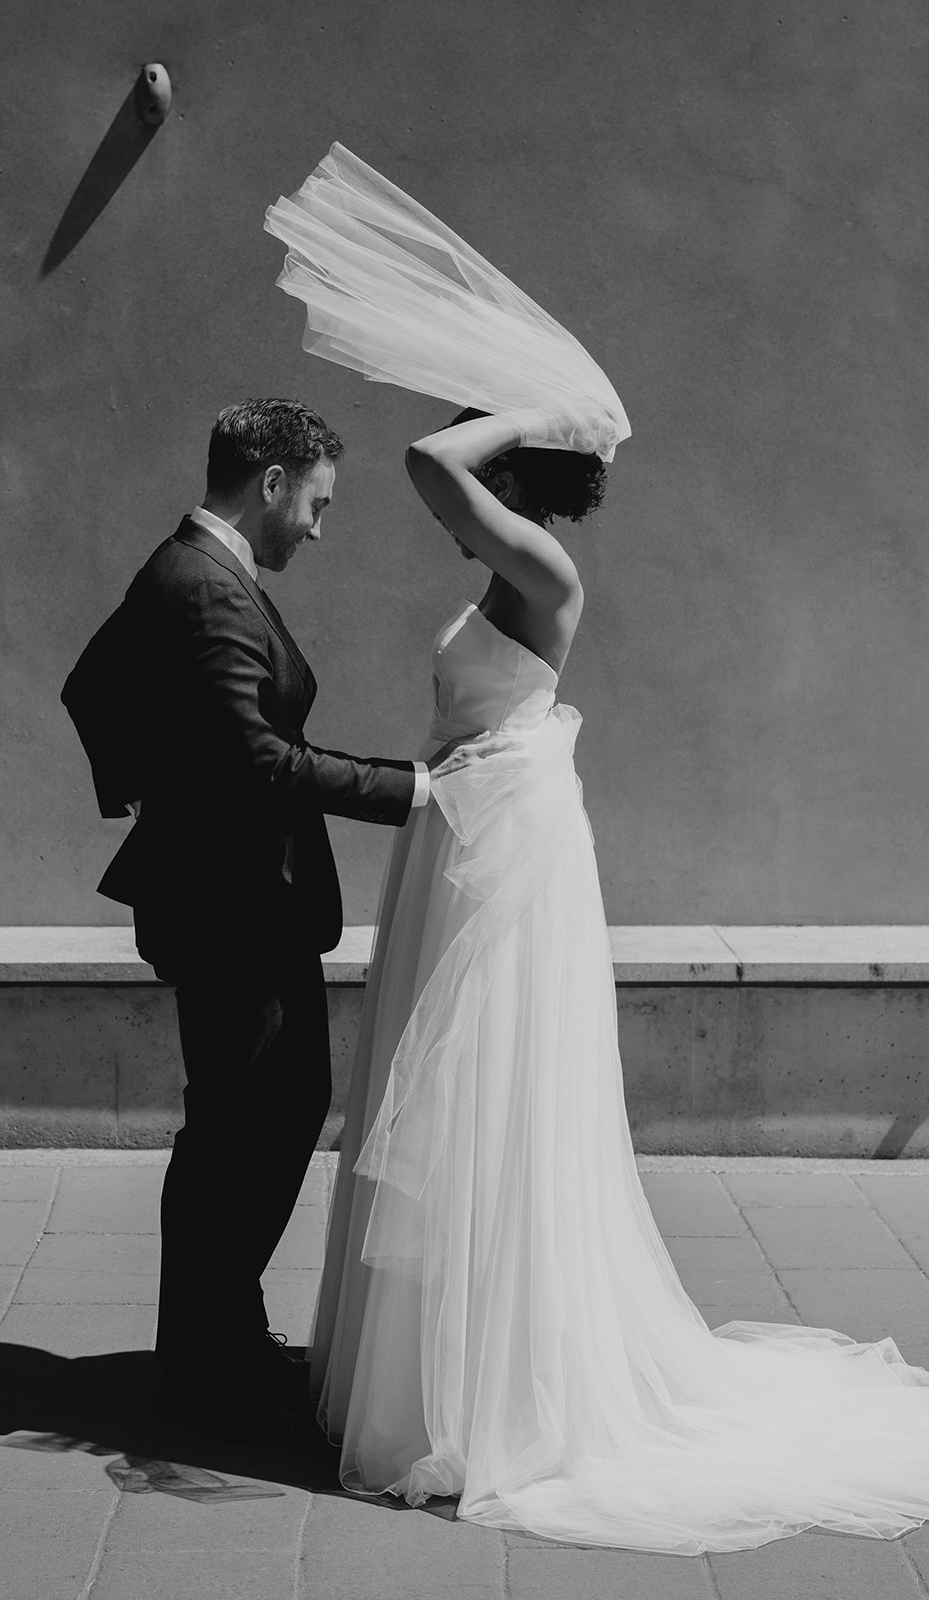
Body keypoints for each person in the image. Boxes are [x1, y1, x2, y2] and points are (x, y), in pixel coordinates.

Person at [309, 406, 929, 1554]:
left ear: (510, 474)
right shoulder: (509, 568)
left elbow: (424, 464)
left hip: (506, 859)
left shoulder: (543, 565)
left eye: (489, 472)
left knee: (493, 1096)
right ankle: (437, 1365)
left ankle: (491, 1386)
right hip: (467, 839)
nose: (459, 514)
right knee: (449, 1096)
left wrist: (543, 399)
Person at [61, 397, 478, 1439]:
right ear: (273, 481)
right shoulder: (203, 588)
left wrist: (153, 783)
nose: (319, 528)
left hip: (236, 897)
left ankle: (219, 1337)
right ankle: (205, 1368)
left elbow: (94, 683)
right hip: (232, 908)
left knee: (271, 1113)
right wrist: (415, 789)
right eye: (318, 503)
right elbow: (256, 756)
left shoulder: (188, 569)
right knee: (239, 1130)